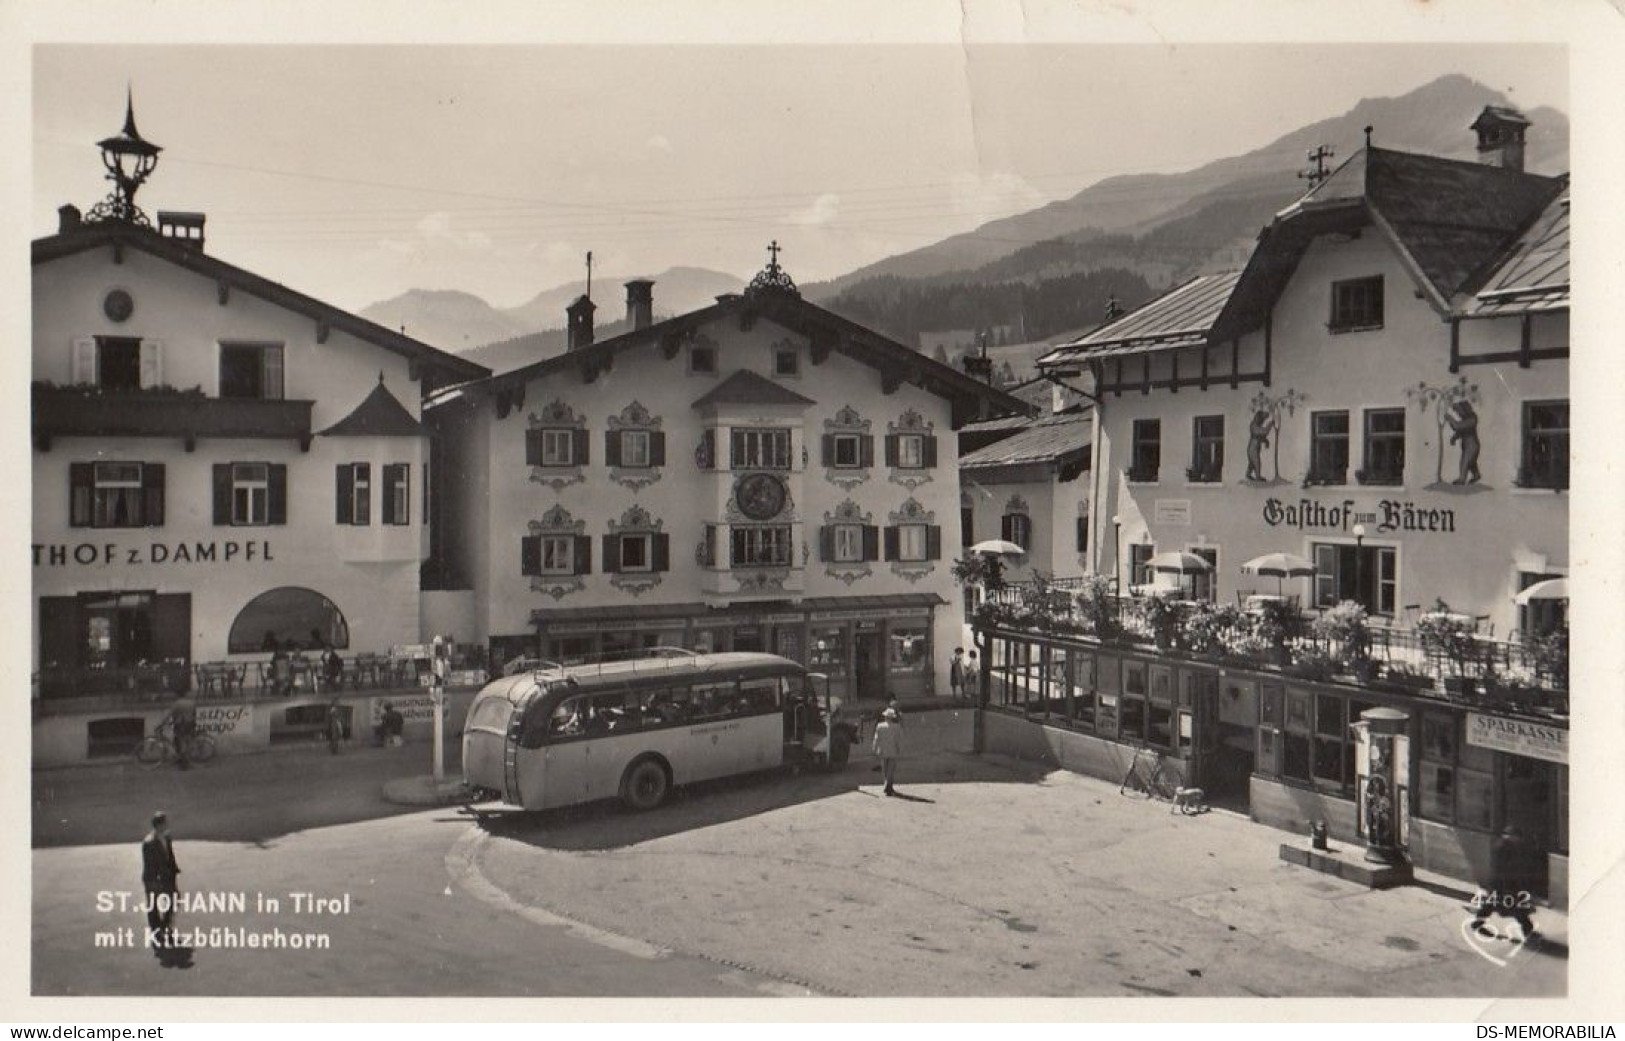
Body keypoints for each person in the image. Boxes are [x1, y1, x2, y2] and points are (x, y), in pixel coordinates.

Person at [1472, 825, 1537, 940]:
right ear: (1512, 836)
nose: (1519, 841)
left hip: (1500, 882)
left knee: (1493, 903)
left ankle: (1477, 922)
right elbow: (1503, 867)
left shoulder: (1504, 845)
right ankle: (1527, 929)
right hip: (1502, 882)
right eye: (1517, 838)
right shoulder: (1503, 846)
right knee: (1514, 905)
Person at [141, 811, 180, 950]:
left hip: (167, 876)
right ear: (159, 825)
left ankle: (165, 927)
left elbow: (169, 855)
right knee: (153, 906)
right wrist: (156, 879)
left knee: (174, 900)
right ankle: (157, 933)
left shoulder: (166, 837)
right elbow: (149, 863)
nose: (167, 825)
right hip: (154, 878)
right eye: (165, 823)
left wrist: (174, 869)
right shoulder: (149, 842)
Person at [871, 707, 903, 796]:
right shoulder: (897, 727)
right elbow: (898, 739)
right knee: (891, 769)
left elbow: (876, 738)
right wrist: (899, 748)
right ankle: (889, 785)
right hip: (892, 750)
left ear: (885, 717)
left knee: (884, 768)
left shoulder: (880, 726)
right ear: (892, 718)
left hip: (882, 750)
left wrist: (874, 747)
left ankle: (886, 784)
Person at [162, 696, 197, 770]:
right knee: (178, 740)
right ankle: (180, 758)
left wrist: (163, 722)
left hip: (181, 723)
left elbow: (170, 714)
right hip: (189, 723)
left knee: (181, 741)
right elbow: (194, 713)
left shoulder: (176, 704)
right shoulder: (191, 702)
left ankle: (184, 764)